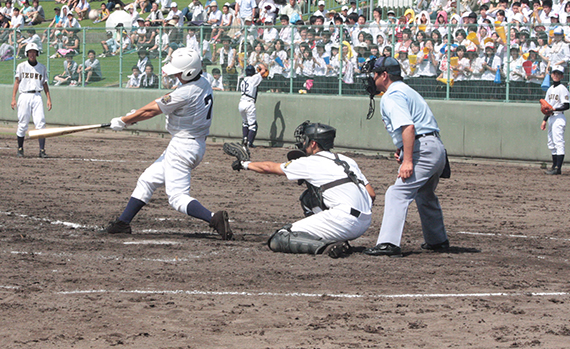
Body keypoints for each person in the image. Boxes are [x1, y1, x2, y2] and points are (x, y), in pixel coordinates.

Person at [105, 48, 232, 240]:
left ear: (189, 71)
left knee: (177, 197)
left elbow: (152, 110)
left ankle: (213, 218)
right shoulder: (203, 82)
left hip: (182, 147)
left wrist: (124, 120)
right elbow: (163, 104)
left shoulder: (187, 91)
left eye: (179, 72)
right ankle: (123, 223)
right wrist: (134, 116)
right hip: (190, 145)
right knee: (147, 179)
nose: (175, 75)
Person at [227, 121, 375, 258]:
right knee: (308, 197)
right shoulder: (347, 160)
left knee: (280, 237)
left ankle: (326, 247)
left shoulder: (310, 162)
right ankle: (333, 237)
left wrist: (245, 164)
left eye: (306, 139)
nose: (303, 142)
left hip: (344, 221)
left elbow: (269, 168)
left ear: (314, 143)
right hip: (365, 221)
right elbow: (371, 194)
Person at [362, 56, 450, 256]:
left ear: (384, 76)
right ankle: (437, 241)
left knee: (397, 193)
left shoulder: (392, 94)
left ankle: (389, 244)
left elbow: (408, 126)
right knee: (424, 194)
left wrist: (408, 159)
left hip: (423, 148)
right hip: (435, 147)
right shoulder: (406, 90)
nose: (372, 79)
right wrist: (403, 148)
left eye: (374, 74)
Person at [12, 42, 52, 158]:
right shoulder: (21, 66)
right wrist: (13, 98)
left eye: (34, 52)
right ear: (27, 53)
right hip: (24, 95)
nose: (32, 54)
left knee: (41, 122)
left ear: (37, 53)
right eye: (30, 52)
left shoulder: (42, 68)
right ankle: (20, 148)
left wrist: (48, 99)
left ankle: (42, 150)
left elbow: (45, 84)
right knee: (23, 123)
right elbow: (17, 82)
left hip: (37, 96)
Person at [541, 67, 570, 175]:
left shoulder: (562, 88)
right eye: (554, 73)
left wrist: (555, 109)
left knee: (558, 142)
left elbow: (567, 105)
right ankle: (553, 166)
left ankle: (558, 168)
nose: (556, 75)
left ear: (562, 76)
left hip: (559, 117)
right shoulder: (550, 89)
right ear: (551, 75)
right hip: (551, 117)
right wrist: (544, 120)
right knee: (551, 143)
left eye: (558, 74)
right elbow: (547, 107)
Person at [238, 64, 266, 148]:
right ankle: (249, 143)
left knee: (245, 123)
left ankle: (245, 139)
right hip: (249, 102)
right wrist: (260, 64)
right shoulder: (254, 78)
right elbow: (263, 70)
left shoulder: (243, 80)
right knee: (253, 125)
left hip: (241, 102)